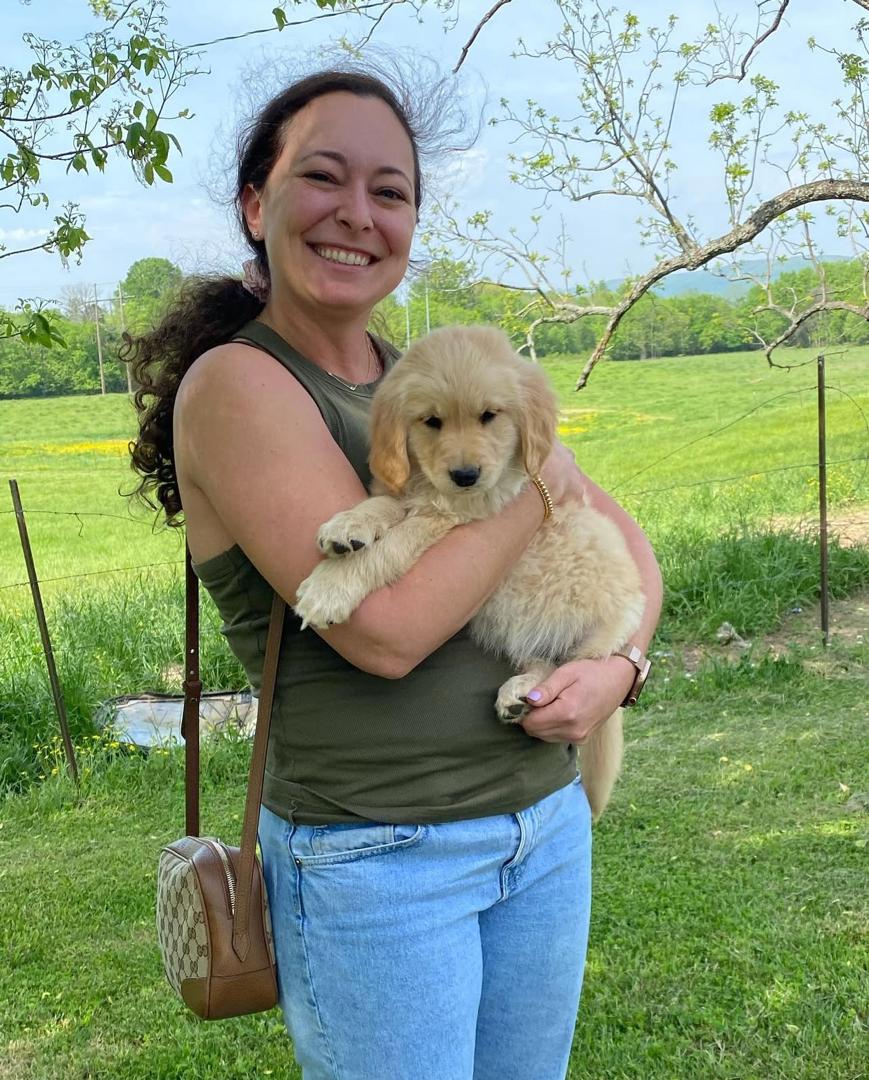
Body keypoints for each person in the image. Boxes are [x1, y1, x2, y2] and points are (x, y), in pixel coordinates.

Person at [127, 64, 662, 1080]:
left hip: (539, 824)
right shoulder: (239, 385)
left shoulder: (421, 375)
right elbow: (385, 632)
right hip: (380, 859)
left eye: (391, 192)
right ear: (256, 202)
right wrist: (530, 472)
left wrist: (620, 667)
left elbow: (626, 543)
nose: (358, 215)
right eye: (323, 178)